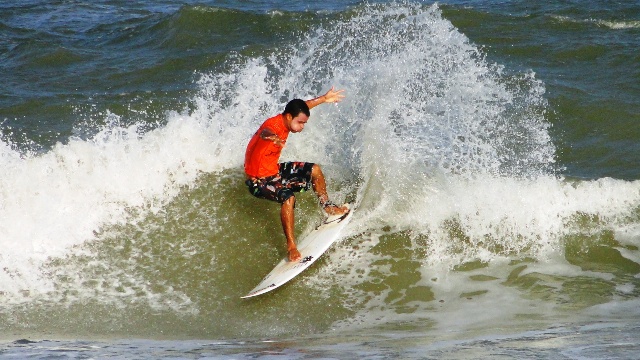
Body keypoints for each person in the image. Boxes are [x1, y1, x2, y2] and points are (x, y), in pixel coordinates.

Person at [244, 87, 349, 262]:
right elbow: (264, 132)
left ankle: (327, 206)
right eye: (300, 123)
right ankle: (291, 246)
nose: (302, 127)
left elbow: (303, 106)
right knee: (288, 197)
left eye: (304, 123)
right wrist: (272, 137)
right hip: (258, 181)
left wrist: (324, 98)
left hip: (274, 171)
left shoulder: (289, 116)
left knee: (314, 170)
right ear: (288, 117)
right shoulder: (272, 126)